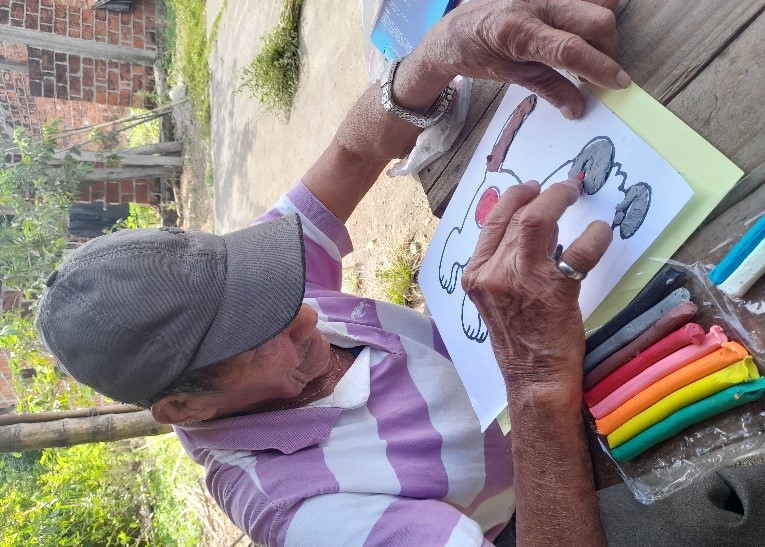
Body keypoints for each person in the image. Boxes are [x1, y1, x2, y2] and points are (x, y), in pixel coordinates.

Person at [35, 0, 636, 544]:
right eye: (260, 335)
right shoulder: (302, 512)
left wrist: (437, 52)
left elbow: (353, 151)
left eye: (275, 290)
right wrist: (533, 380)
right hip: (561, 489)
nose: (305, 312)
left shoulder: (250, 282)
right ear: (185, 408)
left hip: (564, 365)